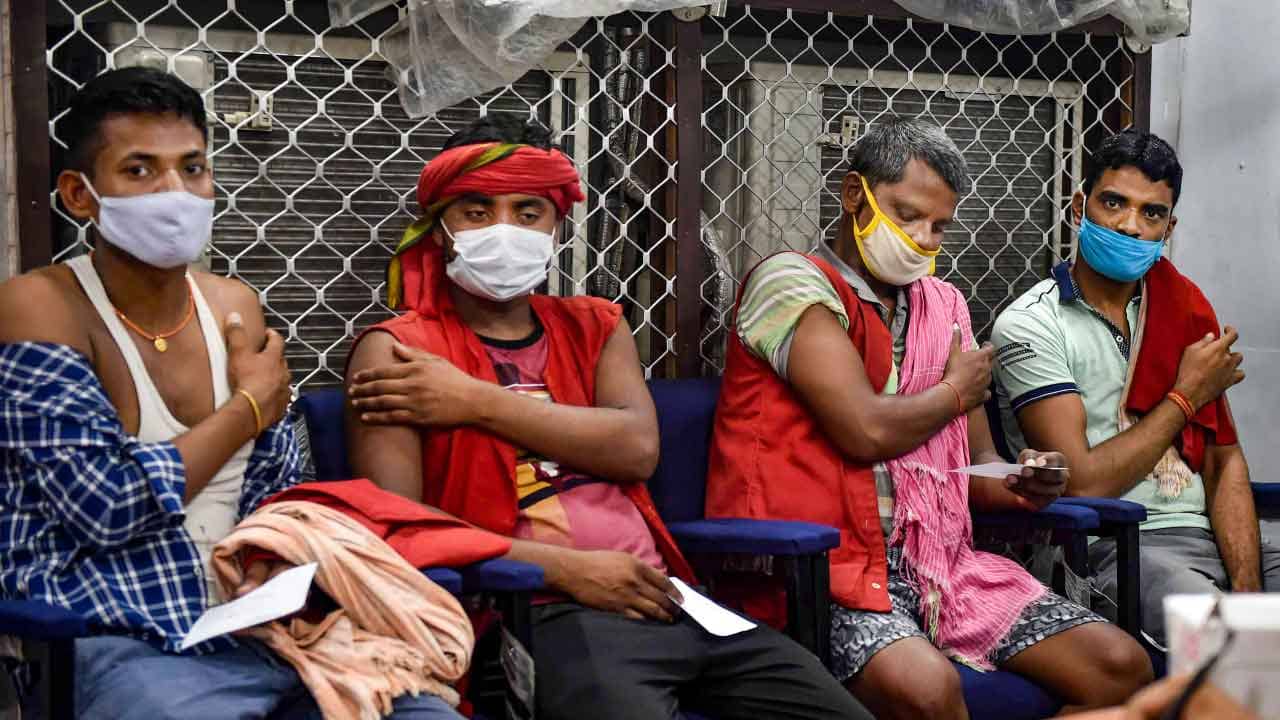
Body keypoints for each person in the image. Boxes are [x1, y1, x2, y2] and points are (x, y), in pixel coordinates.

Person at [345, 115, 873, 720]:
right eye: (475, 211)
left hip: (670, 597)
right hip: (539, 611)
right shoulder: (398, 350)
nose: (504, 231)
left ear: (555, 226)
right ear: (439, 227)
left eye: (527, 212)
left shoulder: (594, 325)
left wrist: (472, 400)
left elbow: (635, 447)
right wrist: (570, 571)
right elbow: (400, 530)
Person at [0, 67, 462, 720]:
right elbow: (104, 507)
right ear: (80, 196)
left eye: (192, 169)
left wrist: (278, 559)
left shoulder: (232, 304)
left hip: (266, 629)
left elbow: (281, 485)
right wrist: (247, 409)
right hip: (128, 634)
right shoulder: (38, 306)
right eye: (140, 171)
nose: (176, 192)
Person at [704, 117, 1152, 720]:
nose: (923, 240)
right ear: (852, 194)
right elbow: (863, 429)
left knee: (1120, 669)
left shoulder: (943, 306)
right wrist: (952, 392)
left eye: (939, 226)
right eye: (906, 215)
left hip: (942, 565)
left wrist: (1022, 482)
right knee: (927, 691)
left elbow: (977, 463)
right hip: (828, 576)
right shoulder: (792, 284)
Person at [991, 129, 1280, 647]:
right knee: (1236, 647)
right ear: (1080, 205)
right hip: (1113, 543)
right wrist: (1184, 397)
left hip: (1213, 535)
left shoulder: (1182, 307)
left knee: (1257, 636)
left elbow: (1223, 460)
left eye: (1151, 214)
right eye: (1113, 203)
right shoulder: (1033, 324)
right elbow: (1080, 483)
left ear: (1170, 228)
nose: (1129, 225)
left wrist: (1248, 590)